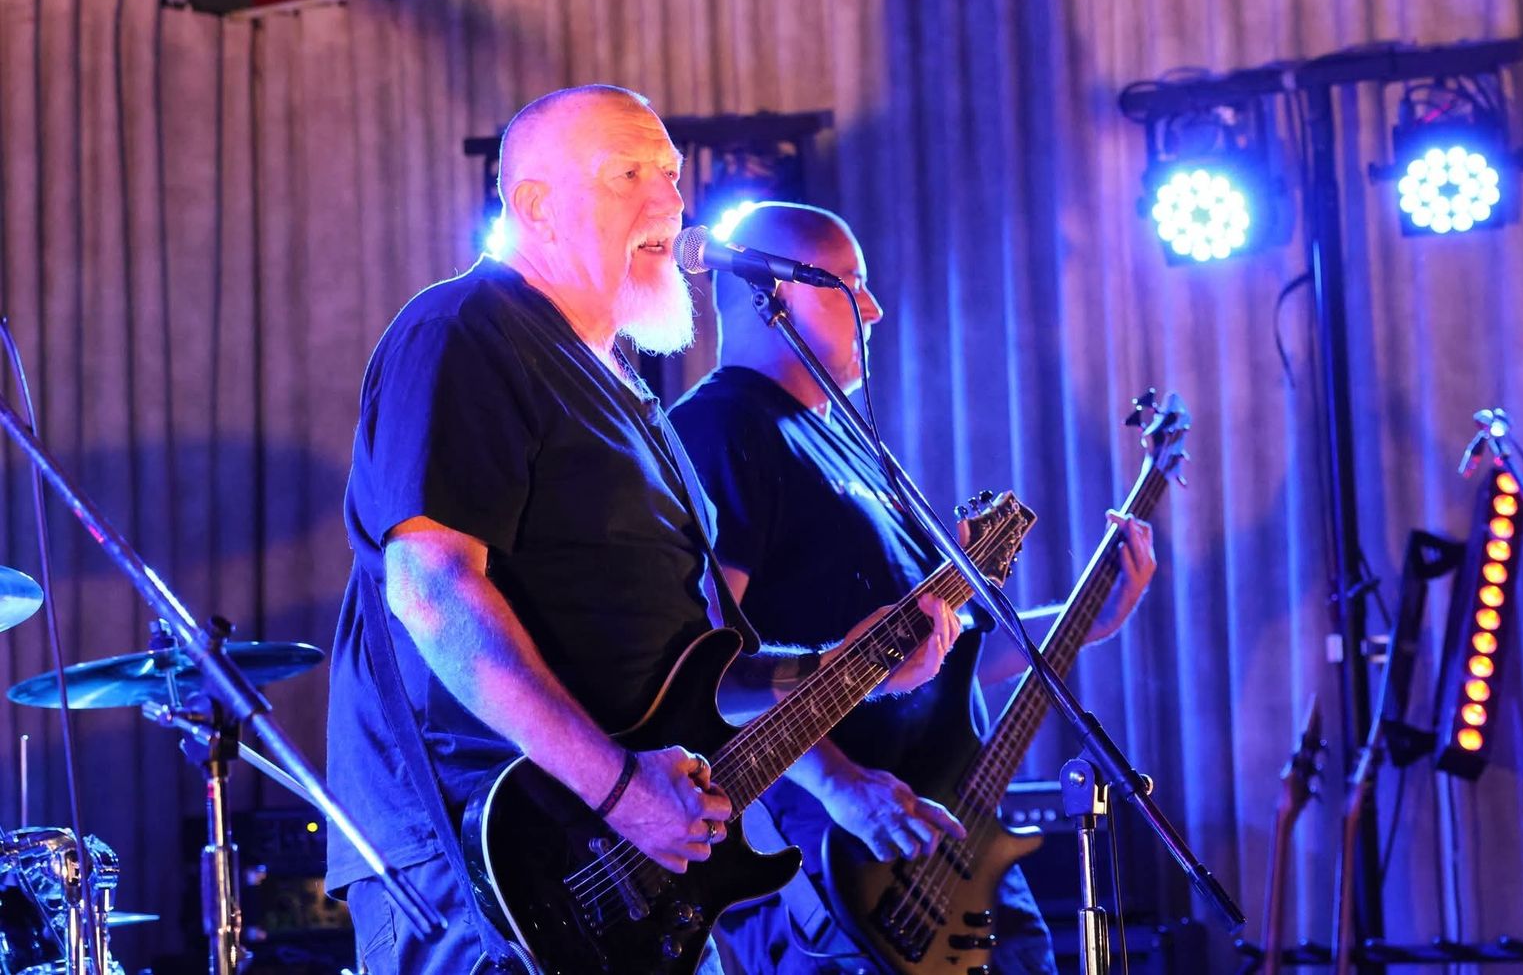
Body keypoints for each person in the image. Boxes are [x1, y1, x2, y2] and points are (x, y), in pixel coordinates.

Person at [323, 88, 962, 975]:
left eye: (670, 173)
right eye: (628, 174)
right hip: (484, 859)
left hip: (631, 870)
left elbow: (694, 679)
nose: (669, 201)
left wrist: (843, 668)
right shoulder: (466, 329)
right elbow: (432, 589)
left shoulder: (627, 389)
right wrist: (620, 787)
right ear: (536, 205)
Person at [669, 202, 1157, 974]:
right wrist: (842, 786)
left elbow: (945, 659)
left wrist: (1086, 620)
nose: (874, 309)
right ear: (777, 295)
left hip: (949, 833)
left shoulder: (851, 445)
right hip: (839, 858)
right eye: (850, 285)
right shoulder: (722, 428)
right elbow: (705, 665)